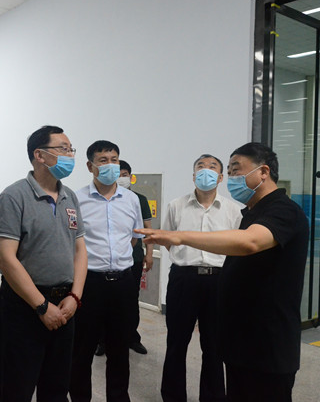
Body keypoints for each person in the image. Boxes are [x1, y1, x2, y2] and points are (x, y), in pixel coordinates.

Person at [137, 143, 309, 402]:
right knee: (180, 345)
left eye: (236, 170)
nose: (232, 177)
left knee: (220, 357)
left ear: (263, 172)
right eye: (229, 171)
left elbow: (249, 242)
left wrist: (180, 236)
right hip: (240, 332)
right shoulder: (251, 212)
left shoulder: (282, 210)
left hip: (267, 342)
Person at [0, 125, 87, 401]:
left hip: (65, 304)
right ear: (40, 155)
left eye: (71, 149)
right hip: (24, 306)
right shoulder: (13, 197)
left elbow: (80, 250)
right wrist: (42, 306)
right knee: (17, 389)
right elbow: (6, 259)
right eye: (63, 149)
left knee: (56, 388)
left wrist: (75, 297)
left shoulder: (70, 197)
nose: (70, 155)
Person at [160, 154, 242, 402]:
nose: (206, 171)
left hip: (218, 281)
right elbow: (167, 240)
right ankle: (173, 397)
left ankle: (213, 396)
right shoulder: (176, 205)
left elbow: (238, 245)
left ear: (221, 177)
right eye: (201, 167)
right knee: (177, 342)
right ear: (194, 175)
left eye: (212, 167)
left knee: (215, 346)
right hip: (184, 279)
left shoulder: (233, 210)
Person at [70, 141, 144, 402]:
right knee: (82, 349)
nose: (110, 165)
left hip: (123, 283)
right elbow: (71, 242)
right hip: (89, 283)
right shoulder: (76, 199)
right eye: (103, 160)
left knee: (119, 348)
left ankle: (119, 397)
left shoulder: (131, 199)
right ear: (90, 166)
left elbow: (133, 237)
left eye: (114, 160)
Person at [117, 160, 154, 355]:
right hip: (110, 261)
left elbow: (147, 229)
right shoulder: (107, 198)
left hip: (134, 258)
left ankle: (132, 337)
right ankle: (103, 340)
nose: (121, 178)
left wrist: (149, 254)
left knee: (131, 300)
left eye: (124, 174)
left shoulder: (139, 199)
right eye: (118, 174)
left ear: (130, 177)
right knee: (108, 301)